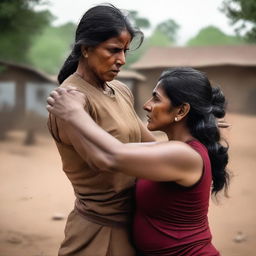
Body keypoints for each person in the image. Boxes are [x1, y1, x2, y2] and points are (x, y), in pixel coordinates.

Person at [47, 67, 230, 256]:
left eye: (156, 98)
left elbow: (111, 156)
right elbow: (125, 137)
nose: (147, 105)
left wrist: (74, 113)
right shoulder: (171, 150)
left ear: (182, 110)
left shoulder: (184, 156)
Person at [47, 4, 155, 256]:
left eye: (125, 51)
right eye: (114, 50)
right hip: (98, 234)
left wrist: (192, 136)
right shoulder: (69, 101)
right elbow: (105, 161)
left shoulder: (120, 90)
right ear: (85, 49)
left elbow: (150, 142)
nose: (122, 60)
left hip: (134, 228)